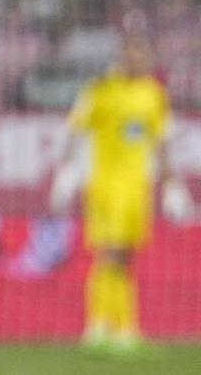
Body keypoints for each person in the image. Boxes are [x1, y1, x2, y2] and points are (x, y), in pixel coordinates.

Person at [49, 36, 191, 353]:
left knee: (126, 256)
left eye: (143, 54)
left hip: (137, 188)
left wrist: (171, 183)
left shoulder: (154, 94)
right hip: (105, 185)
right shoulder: (101, 89)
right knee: (109, 251)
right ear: (123, 56)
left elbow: (161, 139)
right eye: (133, 53)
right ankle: (99, 327)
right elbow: (75, 129)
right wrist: (65, 172)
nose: (139, 60)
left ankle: (125, 329)